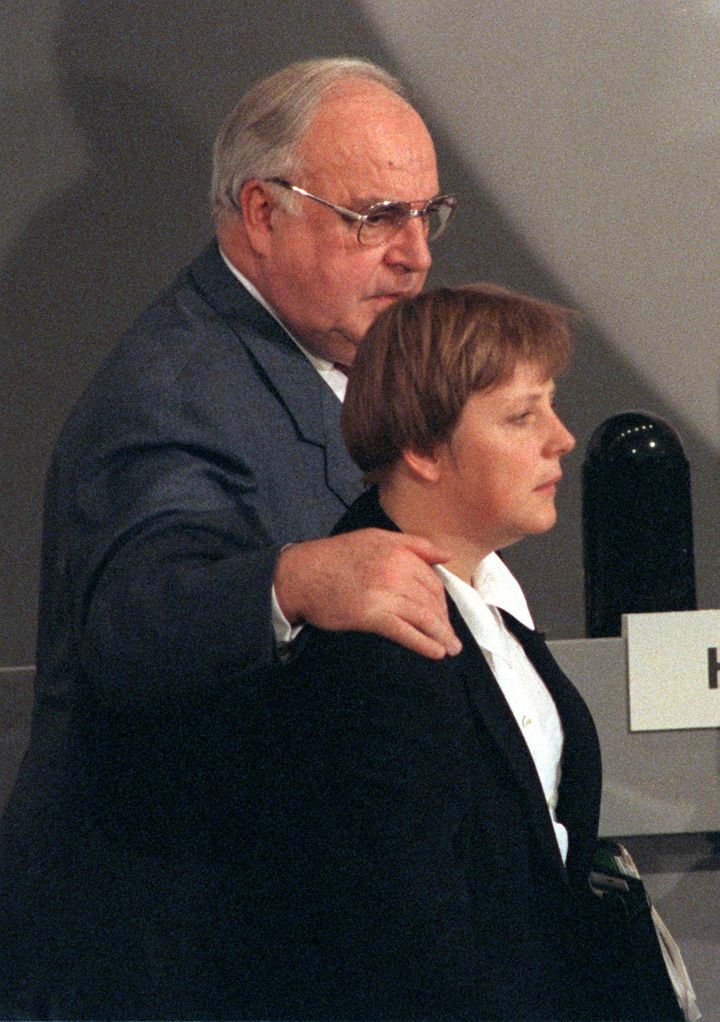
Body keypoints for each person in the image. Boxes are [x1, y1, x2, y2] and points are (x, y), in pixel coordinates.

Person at [0, 58, 460, 1020]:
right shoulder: (175, 388)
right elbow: (136, 615)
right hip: (170, 967)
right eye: (377, 216)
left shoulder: (308, 361)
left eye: (427, 215)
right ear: (263, 213)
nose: (415, 254)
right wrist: (292, 581)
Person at [247, 284, 650, 1021]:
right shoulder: (375, 654)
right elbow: (408, 947)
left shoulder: (491, 602)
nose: (560, 438)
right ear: (424, 450)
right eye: (522, 416)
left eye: (550, 406)